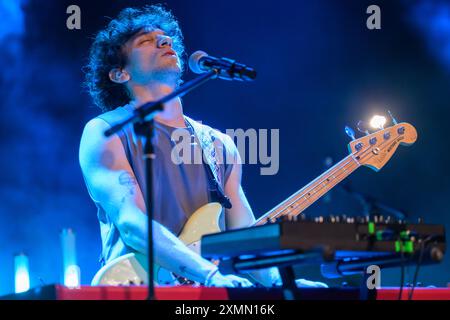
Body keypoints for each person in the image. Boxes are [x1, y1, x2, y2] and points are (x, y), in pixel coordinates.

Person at [79, 4, 326, 288]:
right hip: (134, 286)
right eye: (146, 41)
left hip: (202, 295)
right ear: (120, 73)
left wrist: (280, 283)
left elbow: (243, 235)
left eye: (166, 38)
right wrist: (208, 274)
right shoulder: (106, 131)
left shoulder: (220, 145)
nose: (164, 41)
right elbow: (132, 224)